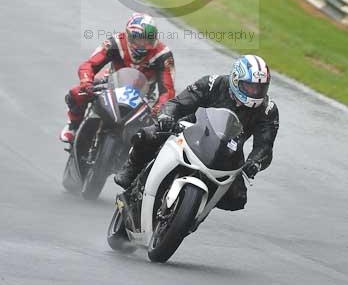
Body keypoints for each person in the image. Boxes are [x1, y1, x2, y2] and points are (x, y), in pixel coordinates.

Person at [114, 54, 279, 212]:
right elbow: (178, 103)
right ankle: (132, 168)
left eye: (260, 88)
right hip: (191, 130)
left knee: (237, 198)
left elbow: (265, 146)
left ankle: (194, 210)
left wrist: (255, 163)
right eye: (250, 86)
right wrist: (167, 117)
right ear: (235, 80)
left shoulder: (267, 109)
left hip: (229, 151)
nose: (255, 92)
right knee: (150, 134)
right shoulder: (213, 84)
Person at [60, 13, 176, 143]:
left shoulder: (163, 54)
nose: (144, 44)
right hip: (110, 84)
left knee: (155, 131)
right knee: (76, 93)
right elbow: (89, 64)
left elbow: (168, 90)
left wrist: (159, 109)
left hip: (144, 96)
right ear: (129, 36)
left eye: (148, 39)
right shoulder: (115, 43)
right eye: (139, 39)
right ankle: (73, 125)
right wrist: (86, 81)